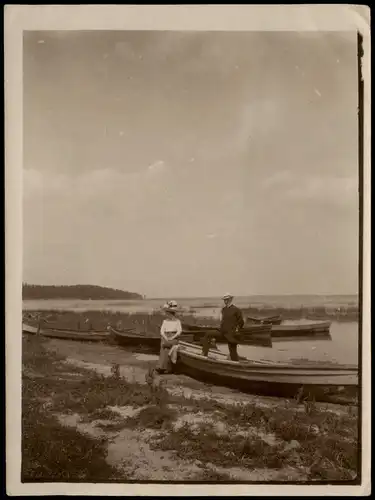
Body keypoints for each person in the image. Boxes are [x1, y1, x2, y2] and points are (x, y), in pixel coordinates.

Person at [201, 293, 244, 361]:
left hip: (231, 335)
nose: (225, 301)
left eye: (227, 299)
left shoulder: (236, 310)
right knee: (208, 334)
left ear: (230, 299)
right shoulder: (223, 310)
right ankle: (204, 354)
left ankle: (236, 365)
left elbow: (241, 323)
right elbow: (222, 321)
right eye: (224, 300)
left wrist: (236, 331)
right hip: (222, 332)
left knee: (233, 354)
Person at [156, 300, 182, 374]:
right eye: (168, 313)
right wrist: (166, 337)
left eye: (170, 314)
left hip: (174, 337)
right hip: (166, 336)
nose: (168, 315)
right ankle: (162, 367)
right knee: (164, 344)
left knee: (167, 344)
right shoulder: (165, 321)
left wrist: (172, 337)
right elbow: (161, 331)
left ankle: (166, 368)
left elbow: (179, 332)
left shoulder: (177, 321)